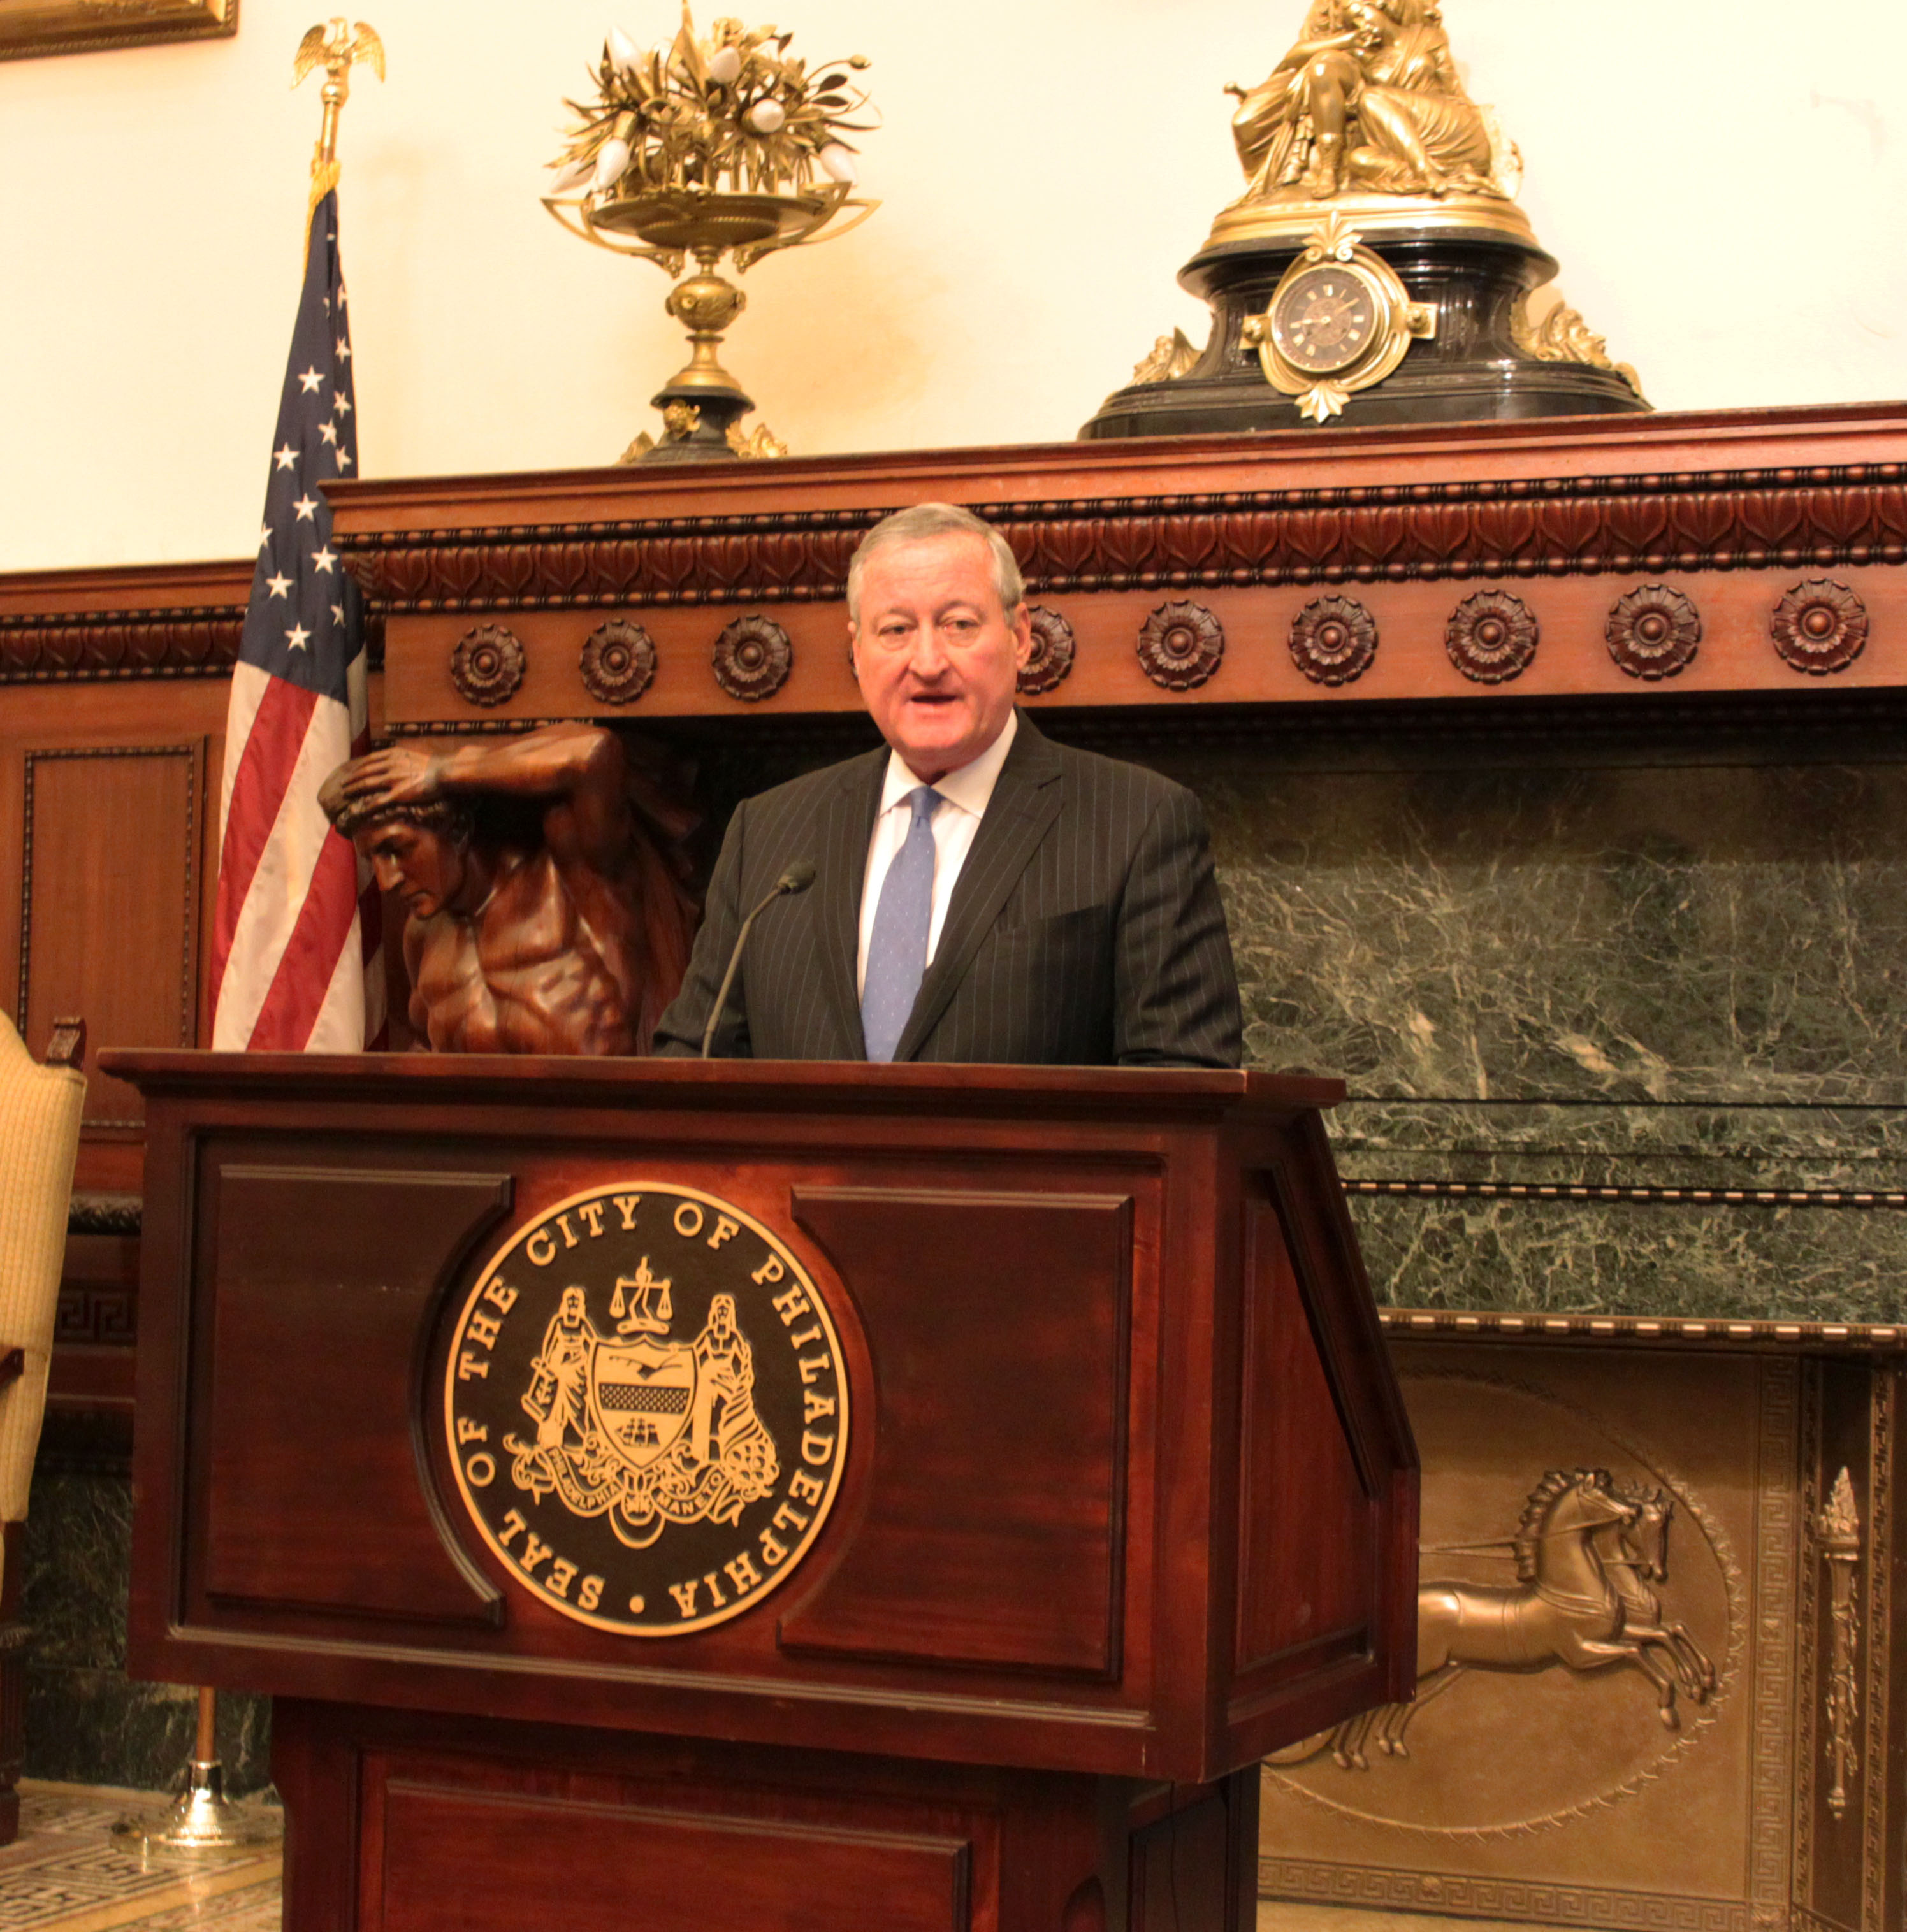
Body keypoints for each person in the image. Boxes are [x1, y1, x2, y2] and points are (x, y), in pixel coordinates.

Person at [651, 502, 1241, 1066]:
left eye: (959, 624)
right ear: (857, 651)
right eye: (896, 629)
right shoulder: (769, 831)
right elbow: (693, 1061)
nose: (927, 661)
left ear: (1020, 636)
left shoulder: (1137, 822)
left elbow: (1180, 1089)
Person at [319, 722, 698, 1055]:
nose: (387, 881)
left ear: (456, 827)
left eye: (398, 850)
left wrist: (442, 772)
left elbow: (595, 753)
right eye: (375, 860)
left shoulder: (575, 880)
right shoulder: (423, 936)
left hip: (611, 1130)